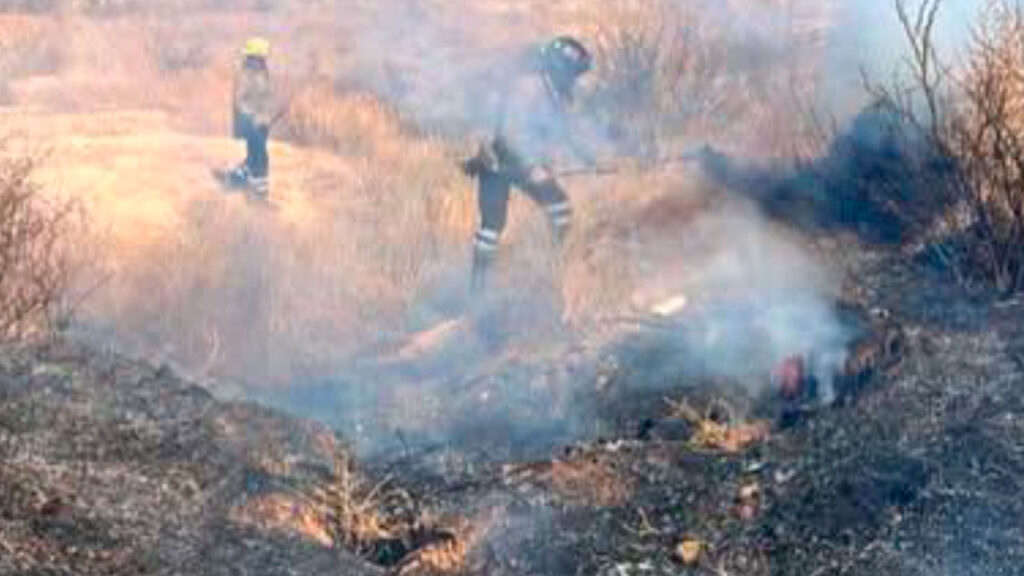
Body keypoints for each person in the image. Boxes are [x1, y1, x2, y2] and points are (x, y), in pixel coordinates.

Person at [462, 36, 597, 292]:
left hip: (522, 164)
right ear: (560, 68)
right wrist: (534, 166)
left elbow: (566, 133)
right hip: (498, 162)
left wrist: (590, 158)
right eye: (573, 73)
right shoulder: (529, 89)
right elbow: (514, 131)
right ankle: (477, 291)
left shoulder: (557, 93)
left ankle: (553, 270)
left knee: (559, 206)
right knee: (492, 226)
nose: (575, 80)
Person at [227, 37, 273, 199]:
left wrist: (266, 117)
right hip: (250, 123)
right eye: (263, 55)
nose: (265, 58)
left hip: (261, 122)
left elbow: (264, 97)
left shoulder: (262, 73)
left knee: (255, 157)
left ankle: (237, 178)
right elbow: (240, 101)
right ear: (256, 56)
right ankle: (257, 197)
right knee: (261, 159)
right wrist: (253, 118)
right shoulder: (245, 74)